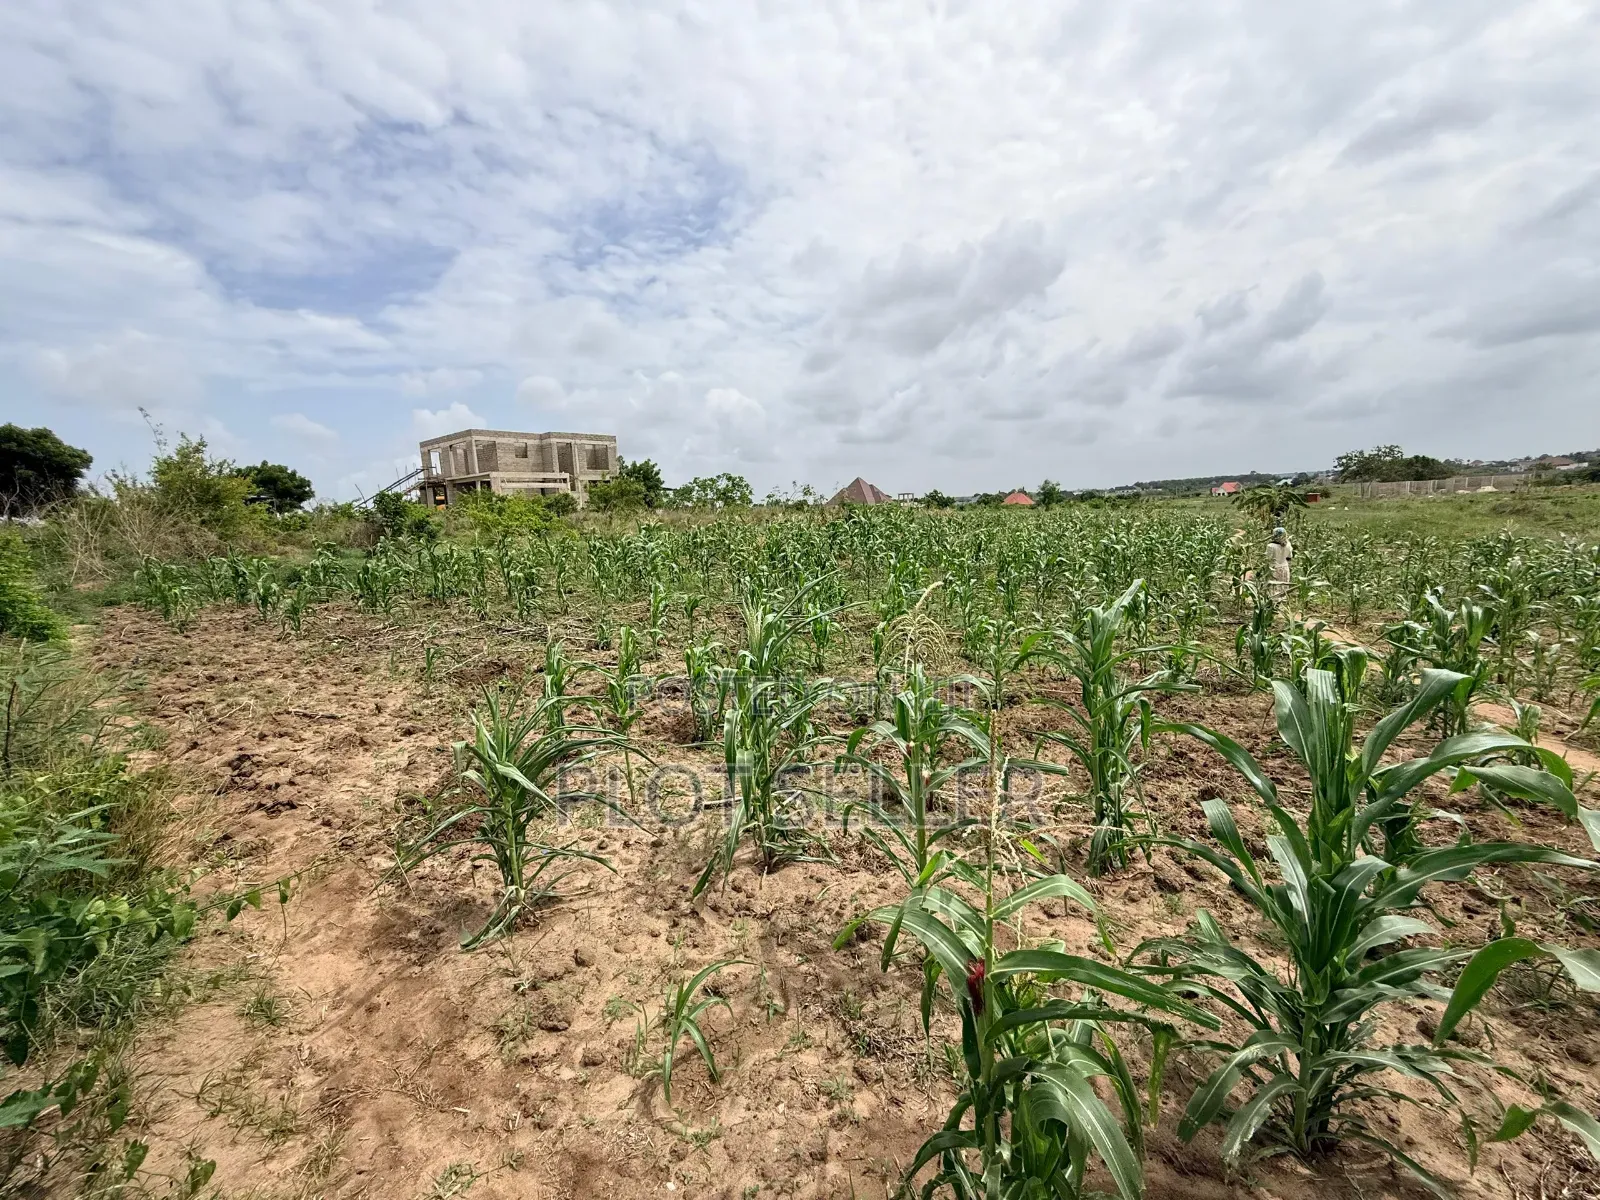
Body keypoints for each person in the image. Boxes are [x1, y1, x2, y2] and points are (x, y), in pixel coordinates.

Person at [1267, 526, 1293, 594]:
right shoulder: (1288, 545)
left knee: (1274, 589)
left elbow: (1268, 558)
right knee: (1283, 589)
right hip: (1285, 568)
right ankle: (1281, 603)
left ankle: (1274, 603)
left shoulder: (1271, 546)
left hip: (1274, 569)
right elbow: (1289, 557)